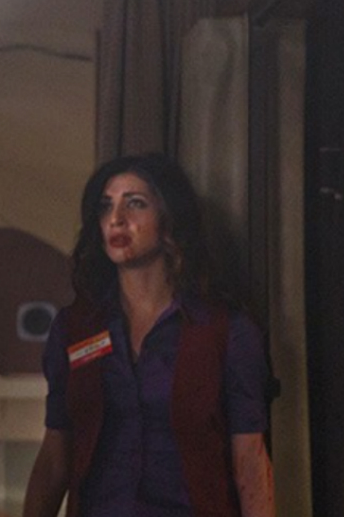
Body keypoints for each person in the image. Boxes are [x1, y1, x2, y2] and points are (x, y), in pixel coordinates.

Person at [22, 153, 275, 517]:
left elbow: (250, 462)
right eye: (106, 206)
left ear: (169, 219)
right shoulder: (75, 328)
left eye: (135, 203)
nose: (116, 218)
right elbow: (54, 456)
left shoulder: (224, 331)